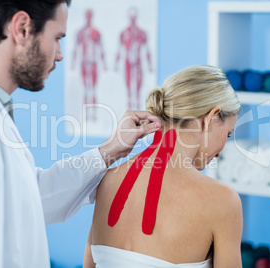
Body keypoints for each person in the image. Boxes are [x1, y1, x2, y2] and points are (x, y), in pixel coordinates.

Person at [0, 0, 161, 267]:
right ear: (22, 29)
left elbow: (32, 199)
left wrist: (112, 148)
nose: (60, 54)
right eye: (57, 38)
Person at [84, 65, 243, 268]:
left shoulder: (108, 179)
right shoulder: (222, 200)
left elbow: (89, 264)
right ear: (211, 117)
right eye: (228, 134)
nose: (221, 151)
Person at [71, 9, 107, 121]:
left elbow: (100, 48)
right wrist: (73, 62)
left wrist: (104, 63)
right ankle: (86, 114)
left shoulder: (96, 32)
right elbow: (76, 48)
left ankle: (94, 114)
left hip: (93, 63)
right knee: (86, 89)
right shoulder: (80, 32)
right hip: (84, 63)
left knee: (93, 89)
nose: (88, 17)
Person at [115, 7, 152, 110]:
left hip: (138, 62)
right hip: (128, 63)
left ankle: (138, 107)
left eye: (134, 16)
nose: (132, 18)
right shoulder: (124, 33)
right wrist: (116, 63)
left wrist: (149, 64)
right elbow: (119, 49)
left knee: (138, 86)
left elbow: (147, 49)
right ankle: (130, 107)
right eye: (131, 16)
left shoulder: (142, 33)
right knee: (128, 86)